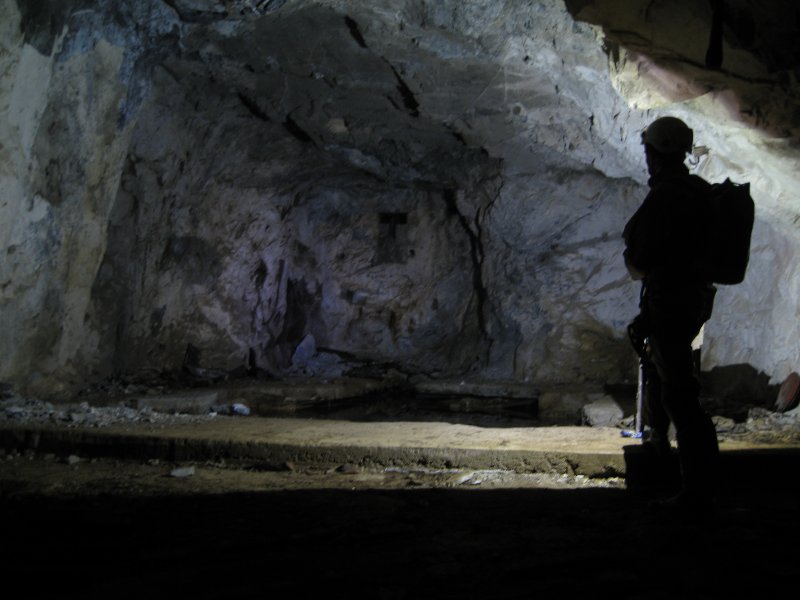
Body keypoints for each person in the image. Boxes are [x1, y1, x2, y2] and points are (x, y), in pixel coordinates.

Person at [623, 116, 720, 511]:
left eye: (648, 151)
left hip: (671, 299)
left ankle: (698, 491)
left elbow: (642, 254)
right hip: (692, 299)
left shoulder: (667, 194)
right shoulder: (699, 191)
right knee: (678, 389)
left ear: (656, 154)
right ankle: (692, 482)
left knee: (680, 395)